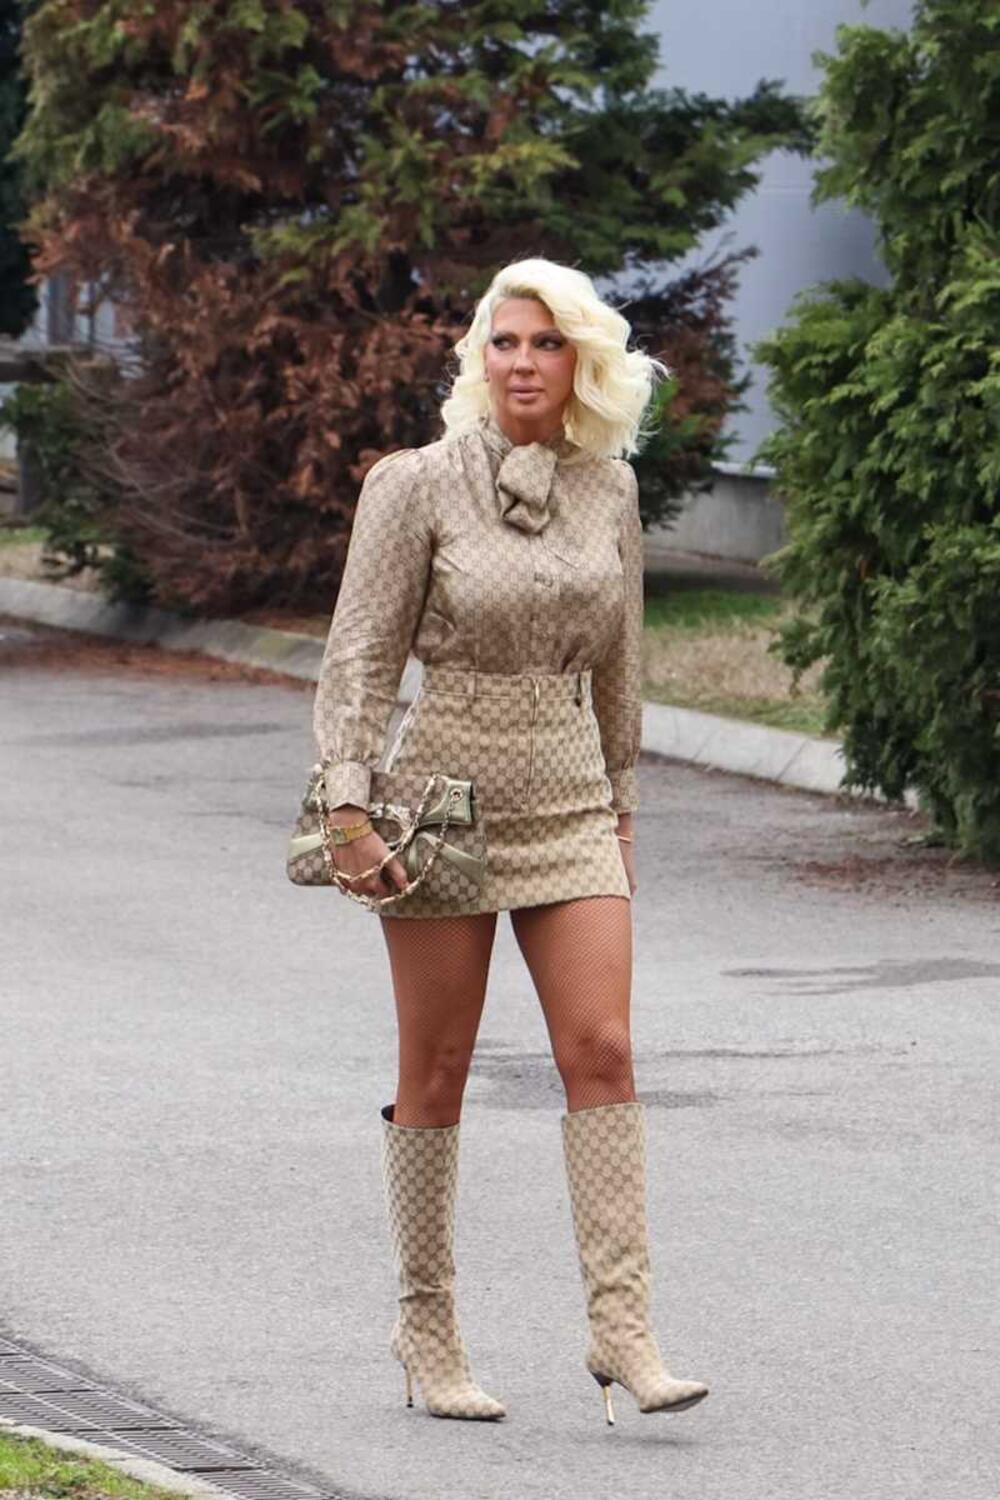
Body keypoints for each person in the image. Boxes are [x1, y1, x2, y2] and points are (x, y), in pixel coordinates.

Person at [312, 257, 709, 1426]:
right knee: (435, 1071)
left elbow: (622, 659)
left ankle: (622, 1331)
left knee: (604, 1050)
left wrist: (622, 803)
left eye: (545, 343)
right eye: (503, 341)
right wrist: (346, 806)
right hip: (440, 798)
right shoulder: (413, 485)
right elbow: (360, 654)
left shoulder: (609, 489)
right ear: (478, 358)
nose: (522, 362)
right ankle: (427, 1328)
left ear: (581, 361)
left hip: (571, 794)